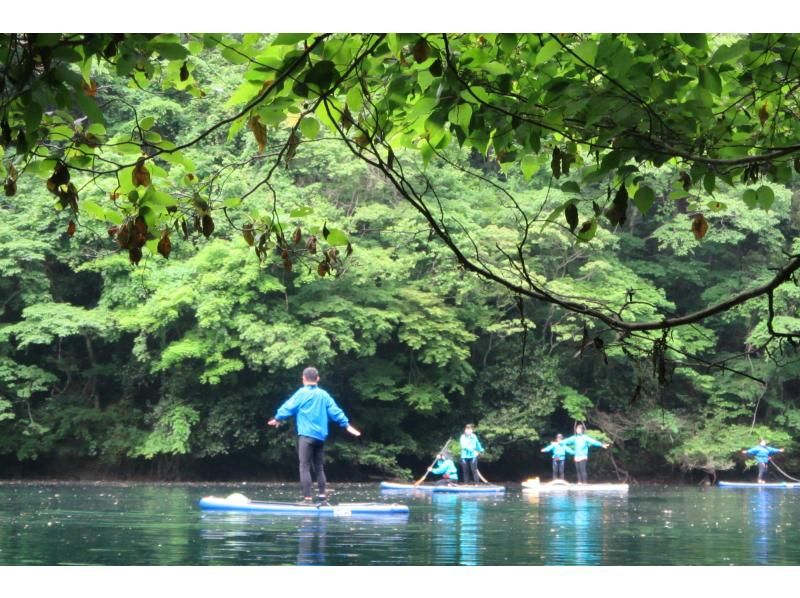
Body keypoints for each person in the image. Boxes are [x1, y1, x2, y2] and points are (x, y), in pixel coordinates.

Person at [268, 367, 361, 501]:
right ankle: (322, 496)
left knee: (304, 467)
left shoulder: (301, 393)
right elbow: (335, 411)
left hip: (306, 436)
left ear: (303, 379)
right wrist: (346, 425)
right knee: (319, 467)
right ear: (317, 379)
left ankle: (307, 498)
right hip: (320, 438)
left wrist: (277, 418)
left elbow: (288, 407)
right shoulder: (324, 395)